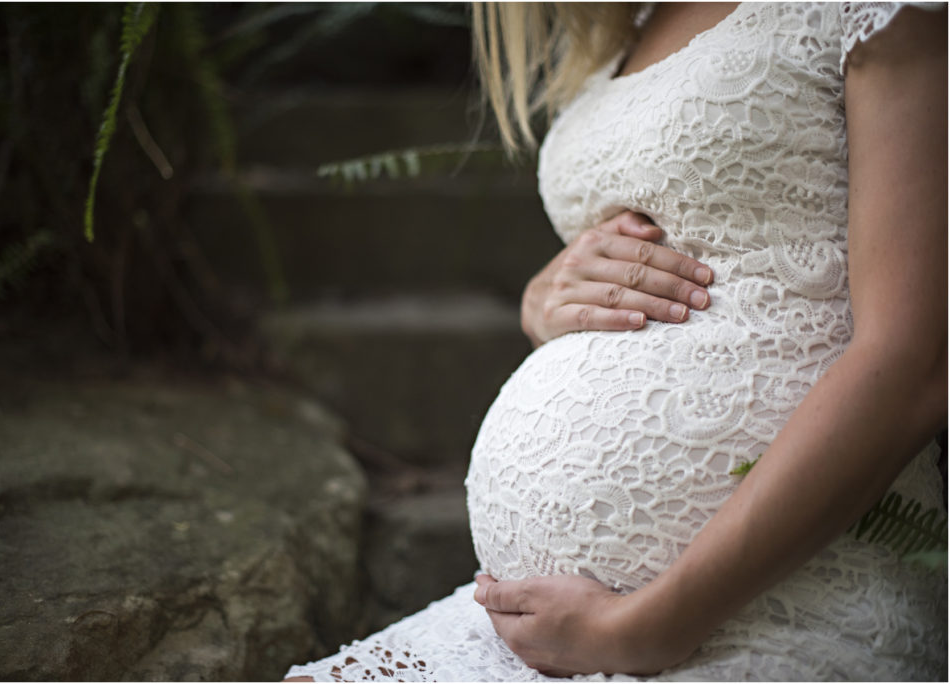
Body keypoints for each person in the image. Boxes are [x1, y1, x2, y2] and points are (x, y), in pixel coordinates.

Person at [285, 2, 947, 680]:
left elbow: (917, 360)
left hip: (765, 614)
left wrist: (650, 626)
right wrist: (545, 300)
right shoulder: (623, 24)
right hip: (549, 633)